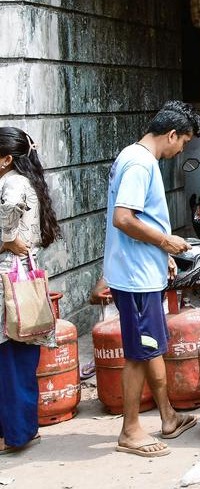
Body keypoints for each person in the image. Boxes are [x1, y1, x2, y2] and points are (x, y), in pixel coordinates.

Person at [104, 101, 200, 457]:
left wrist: (161, 255)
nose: (181, 150)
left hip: (142, 269)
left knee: (150, 347)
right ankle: (130, 431)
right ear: (171, 134)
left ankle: (168, 417)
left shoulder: (133, 157)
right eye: (184, 143)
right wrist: (166, 242)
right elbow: (124, 218)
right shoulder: (139, 163)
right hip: (134, 277)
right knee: (137, 352)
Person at [0, 128, 60, 454]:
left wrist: (6, 237)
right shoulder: (26, 180)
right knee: (17, 356)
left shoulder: (12, 182)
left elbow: (9, 207)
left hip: (10, 278)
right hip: (21, 276)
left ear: (7, 158)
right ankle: (19, 430)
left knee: (11, 358)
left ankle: (17, 434)